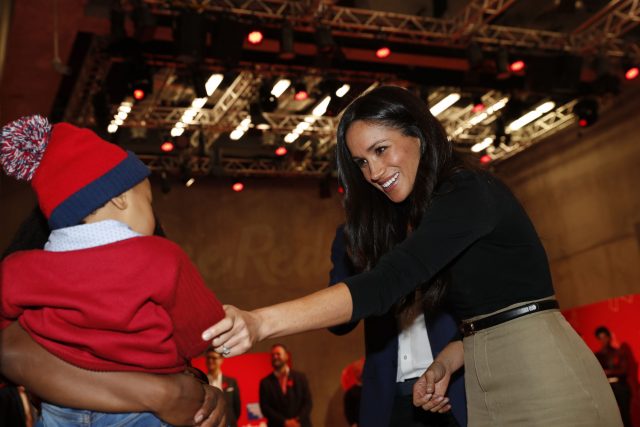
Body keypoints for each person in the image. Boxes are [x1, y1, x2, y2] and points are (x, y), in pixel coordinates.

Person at [204, 86, 623, 426]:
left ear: (419, 135)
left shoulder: (466, 191)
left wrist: (261, 322)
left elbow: (386, 284)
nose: (372, 172)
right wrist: (445, 362)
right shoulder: (426, 215)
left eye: (382, 149)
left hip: (537, 368)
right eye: (361, 162)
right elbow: (485, 315)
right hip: (480, 372)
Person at [0, 115, 226, 426]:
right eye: (148, 201)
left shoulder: (20, 268)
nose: (153, 214)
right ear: (120, 199)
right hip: (139, 415)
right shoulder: (162, 257)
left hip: (58, 412)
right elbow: (203, 331)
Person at [328, 225, 465, 427]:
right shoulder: (352, 232)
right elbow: (338, 324)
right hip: (388, 400)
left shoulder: (442, 218)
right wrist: (356, 256)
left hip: (453, 389)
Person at [259, 344, 312, 427]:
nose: (275, 357)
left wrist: (297, 421)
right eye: (273, 355)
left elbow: (308, 402)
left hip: (300, 424)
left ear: (286, 356)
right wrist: (285, 422)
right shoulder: (265, 383)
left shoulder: (300, 378)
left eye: (278, 354)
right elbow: (265, 408)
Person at [595, 326, 632, 427]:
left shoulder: (619, 352)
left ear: (609, 337)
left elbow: (624, 370)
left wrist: (608, 372)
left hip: (620, 386)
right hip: (606, 389)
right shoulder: (597, 356)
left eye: (605, 337)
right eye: (600, 338)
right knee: (609, 417)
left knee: (625, 416)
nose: (603, 340)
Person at [205, 347, 242, 426]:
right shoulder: (201, 383)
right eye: (208, 358)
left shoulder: (231, 382)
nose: (210, 361)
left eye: (214, 358)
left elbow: (237, 408)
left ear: (221, 360)